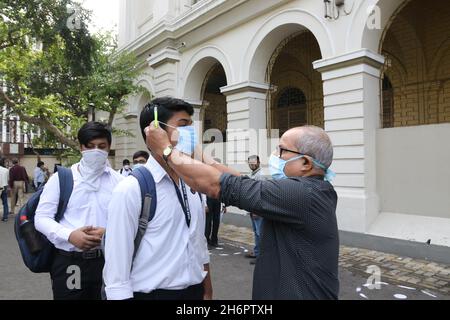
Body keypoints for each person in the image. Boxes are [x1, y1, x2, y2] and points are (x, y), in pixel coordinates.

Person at [146, 123, 339, 300]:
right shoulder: (313, 190)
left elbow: (217, 184)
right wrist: (197, 152)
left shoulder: (301, 194)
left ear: (305, 163)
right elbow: (240, 180)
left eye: (281, 150)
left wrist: (166, 150)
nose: (274, 155)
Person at [103, 97, 212, 300]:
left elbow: (198, 241)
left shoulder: (193, 184)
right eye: (182, 125)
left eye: (191, 126)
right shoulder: (131, 189)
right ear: (154, 130)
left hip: (194, 291)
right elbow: (117, 268)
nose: (190, 133)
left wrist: (207, 289)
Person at [35, 121, 123, 300]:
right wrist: (69, 235)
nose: (96, 151)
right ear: (81, 147)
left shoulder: (120, 183)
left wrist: (109, 233)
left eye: (101, 146)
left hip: (108, 263)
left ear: (109, 147)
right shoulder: (61, 179)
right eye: (90, 146)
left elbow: (129, 222)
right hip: (70, 262)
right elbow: (41, 218)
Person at [245, 155, 266, 265]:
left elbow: (259, 194)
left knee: (260, 233)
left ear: (259, 162)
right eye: (250, 162)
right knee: (256, 233)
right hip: (252, 209)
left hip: (257, 210)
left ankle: (262, 257)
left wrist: (256, 210)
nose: (252, 164)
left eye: (254, 162)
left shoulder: (260, 176)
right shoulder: (252, 175)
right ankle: (257, 252)